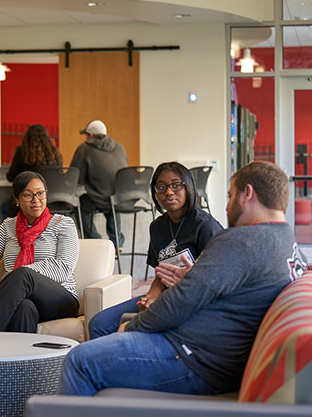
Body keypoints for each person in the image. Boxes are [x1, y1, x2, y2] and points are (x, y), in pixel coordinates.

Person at [60, 161, 308, 397]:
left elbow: (181, 301)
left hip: (193, 357)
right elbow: (238, 289)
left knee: (79, 360)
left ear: (248, 194)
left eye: (231, 196)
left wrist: (132, 327)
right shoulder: (287, 241)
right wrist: (194, 278)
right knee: (101, 332)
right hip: (214, 356)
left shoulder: (239, 240)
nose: (226, 205)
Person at [87, 162, 223, 339]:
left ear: (188, 187)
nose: (169, 192)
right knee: (99, 324)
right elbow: (161, 274)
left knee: (142, 330)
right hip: (165, 297)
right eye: (162, 187)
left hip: (194, 302)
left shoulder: (205, 226)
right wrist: (150, 297)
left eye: (176, 185)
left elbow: (219, 279)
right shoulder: (157, 227)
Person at [0, 171, 79, 332]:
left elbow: (63, 268)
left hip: (61, 299)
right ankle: (24, 356)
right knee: (23, 308)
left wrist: (17, 277)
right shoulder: (8, 227)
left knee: (22, 275)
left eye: (40, 193)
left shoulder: (63, 224)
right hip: (20, 297)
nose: (36, 200)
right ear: (17, 200)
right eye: (28, 195)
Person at [69, 119, 127, 248]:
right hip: (119, 199)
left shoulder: (84, 149)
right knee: (111, 201)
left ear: (90, 135)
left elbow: (76, 178)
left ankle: (96, 241)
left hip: (98, 198)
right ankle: (117, 242)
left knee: (79, 205)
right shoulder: (120, 147)